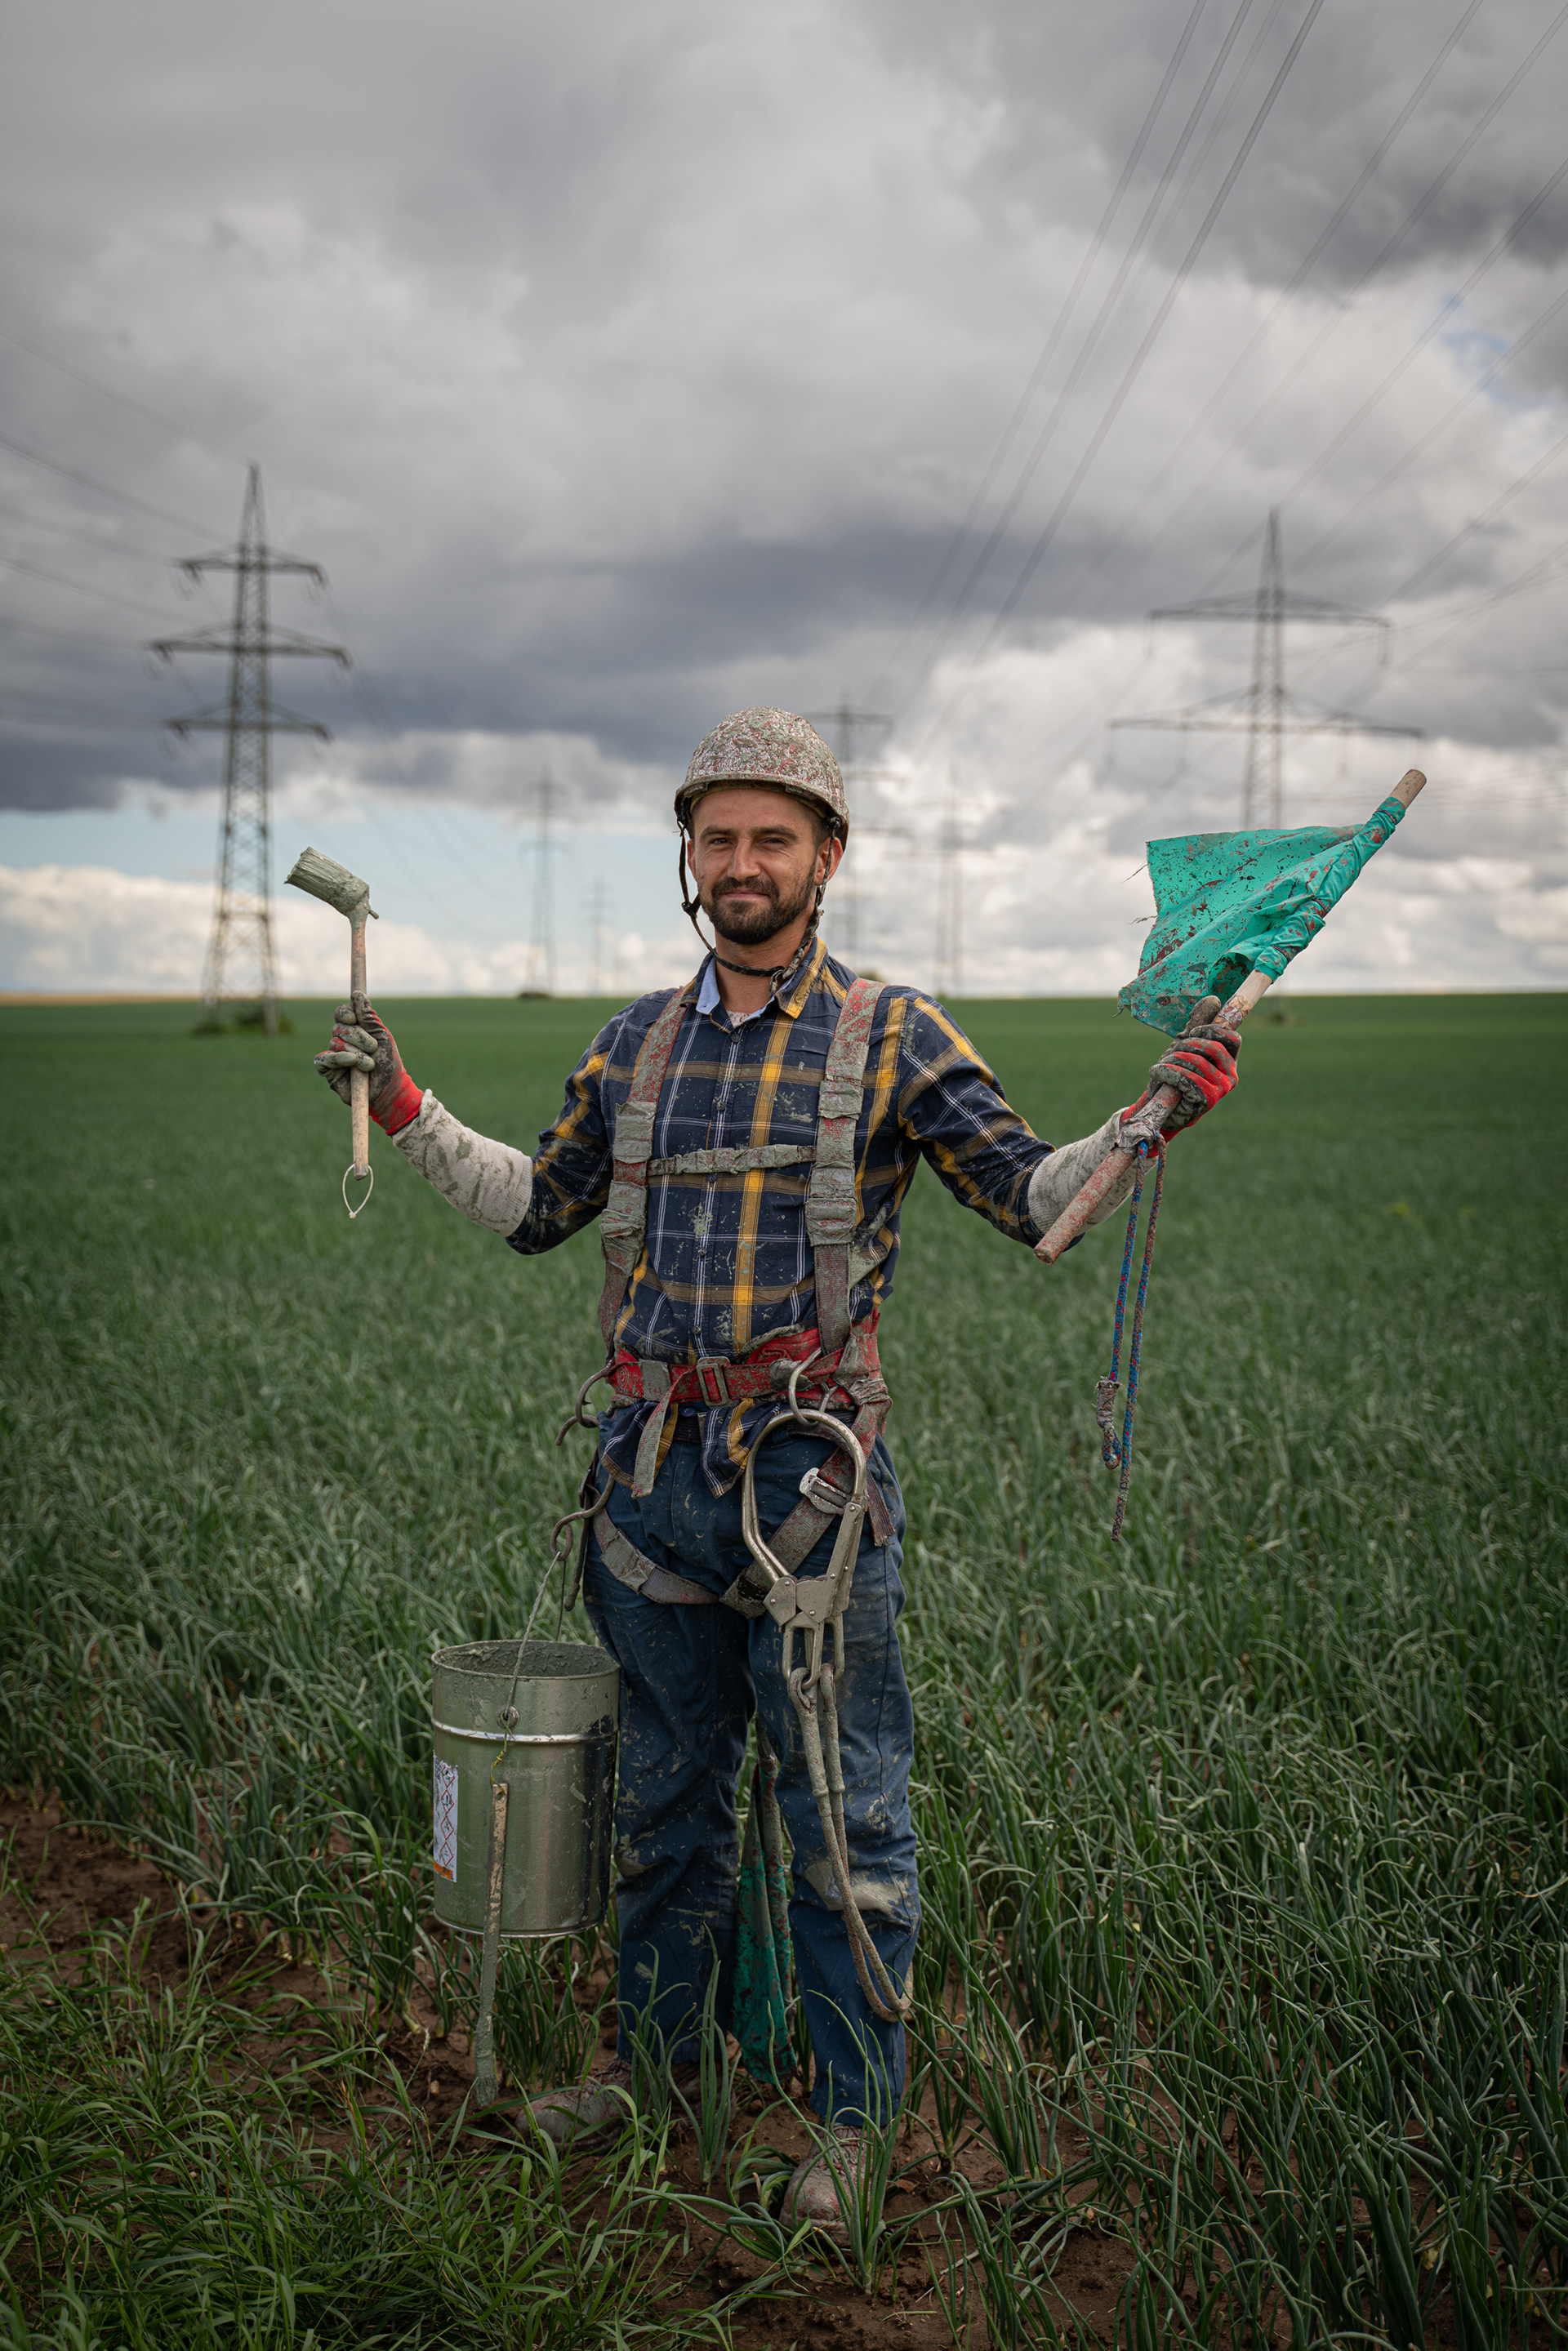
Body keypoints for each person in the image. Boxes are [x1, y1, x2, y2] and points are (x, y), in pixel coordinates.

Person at [314, 706, 1239, 2230]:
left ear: (825, 856)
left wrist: (1151, 1116)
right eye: (717, 837)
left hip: (811, 1489)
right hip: (653, 1484)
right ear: (689, 858)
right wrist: (405, 1106)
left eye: (772, 837)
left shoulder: (895, 1033)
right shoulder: (634, 1042)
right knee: (664, 1811)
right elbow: (540, 1206)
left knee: (841, 1820)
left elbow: (1030, 1197)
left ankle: (856, 2126)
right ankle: (659, 2080)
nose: (742, 863)